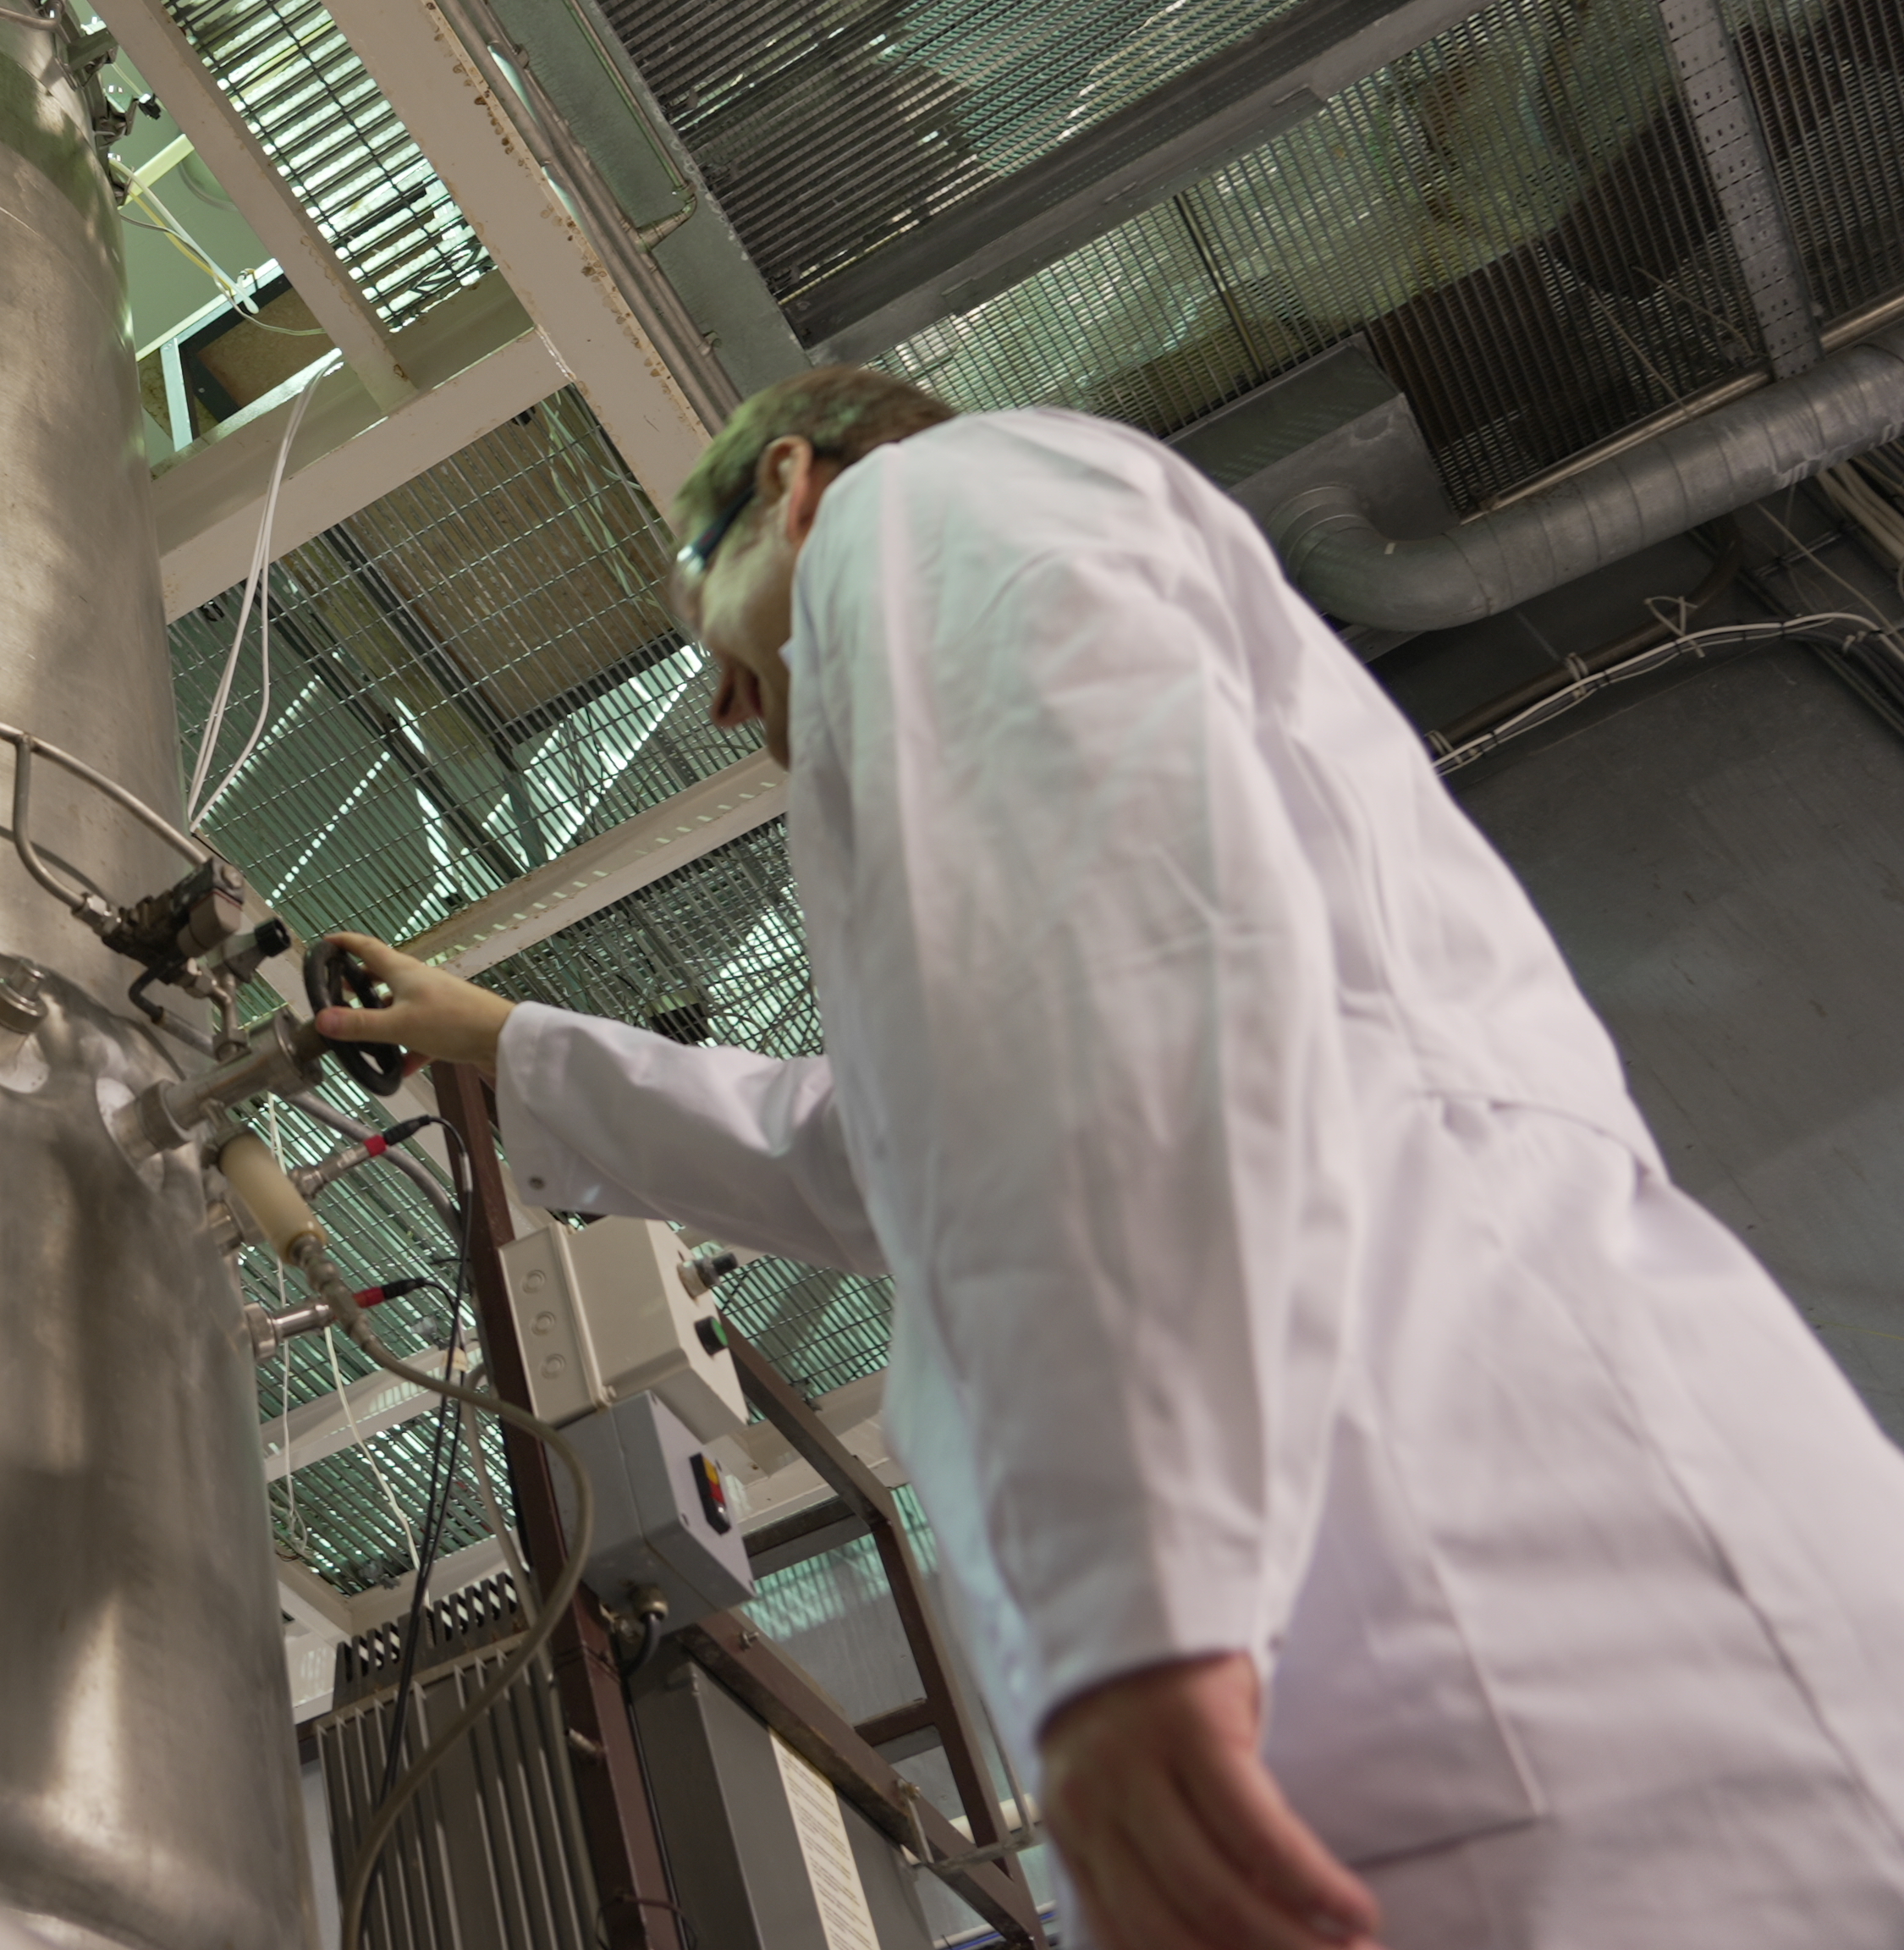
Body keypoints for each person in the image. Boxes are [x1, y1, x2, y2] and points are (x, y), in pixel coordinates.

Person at [312, 367, 1904, 1950]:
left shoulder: (920, 512)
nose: (727, 697)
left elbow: (1121, 946)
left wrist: (1133, 1621)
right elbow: (899, 1153)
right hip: (1435, 1607)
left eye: (703, 619)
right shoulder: (1013, 785)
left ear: (792, 480)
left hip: (1490, 1566)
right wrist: (502, 1041)